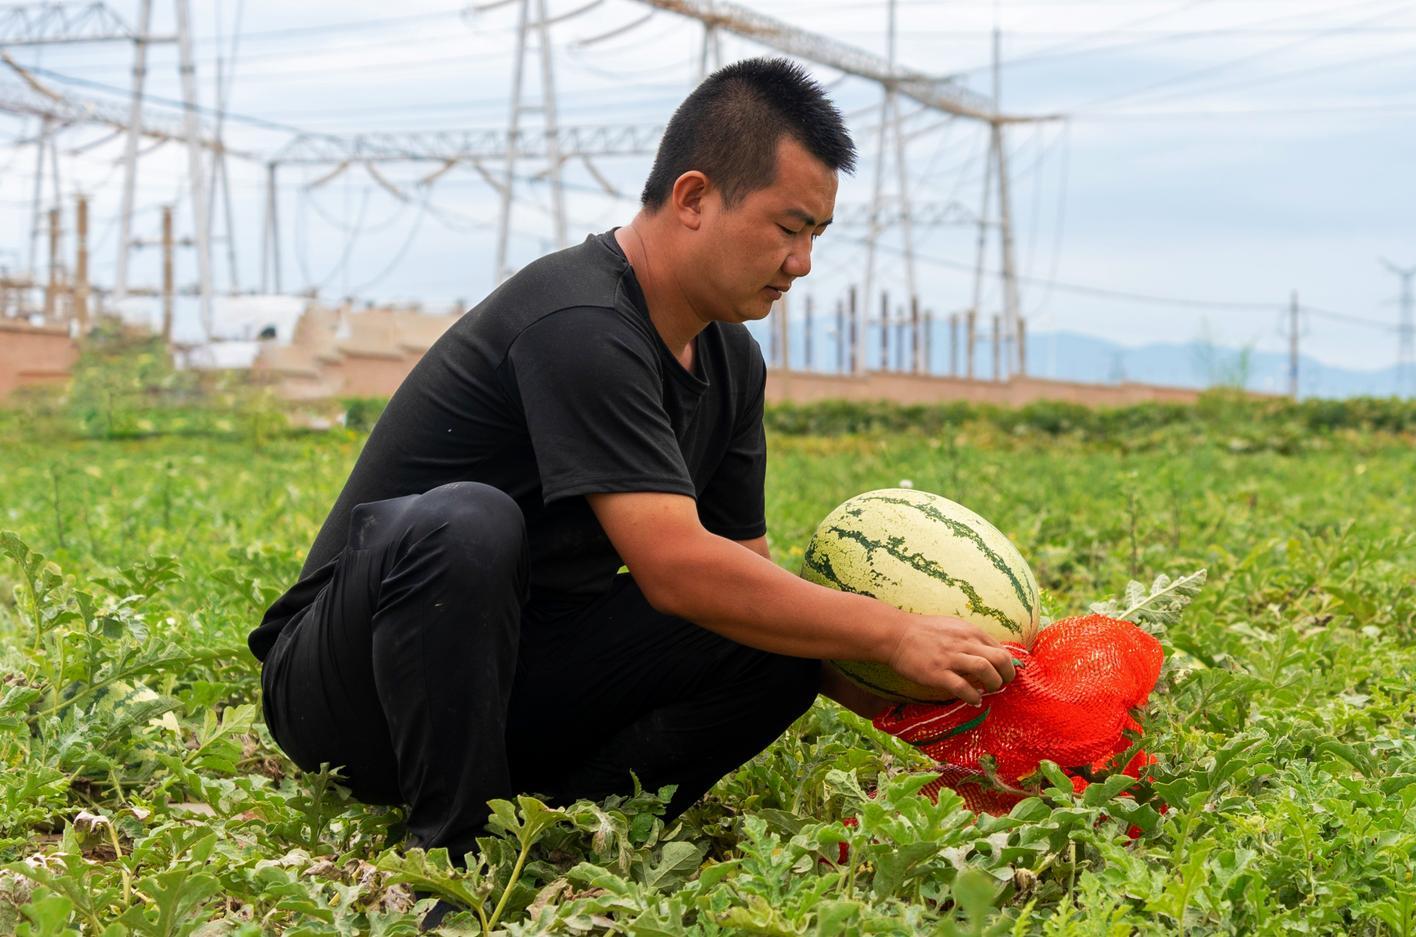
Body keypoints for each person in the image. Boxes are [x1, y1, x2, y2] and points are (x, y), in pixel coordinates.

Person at [248, 56, 1017, 863]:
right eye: (789, 229)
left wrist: (924, 701)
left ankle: (562, 833)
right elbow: (676, 570)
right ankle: (456, 854)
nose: (803, 264)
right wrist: (892, 631)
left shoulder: (731, 361)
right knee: (466, 523)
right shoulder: (578, 319)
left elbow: (741, 584)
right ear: (693, 199)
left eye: (816, 236)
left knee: (783, 643)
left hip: (508, 675)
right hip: (350, 687)